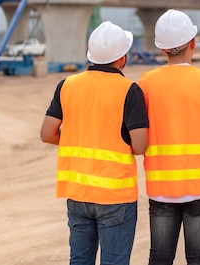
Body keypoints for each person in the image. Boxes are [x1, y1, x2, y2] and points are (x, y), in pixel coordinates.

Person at [40, 21, 149, 265]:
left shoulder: (67, 85)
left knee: (79, 260)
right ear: (123, 58)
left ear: (90, 56)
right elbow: (140, 146)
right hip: (115, 196)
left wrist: (75, 139)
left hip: (77, 192)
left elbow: (47, 133)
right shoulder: (129, 90)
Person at [139, 9, 200, 265]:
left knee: (160, 258)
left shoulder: (146, 82)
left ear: (162, 49)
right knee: (199, 259)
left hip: (161, 187)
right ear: (193, 43)